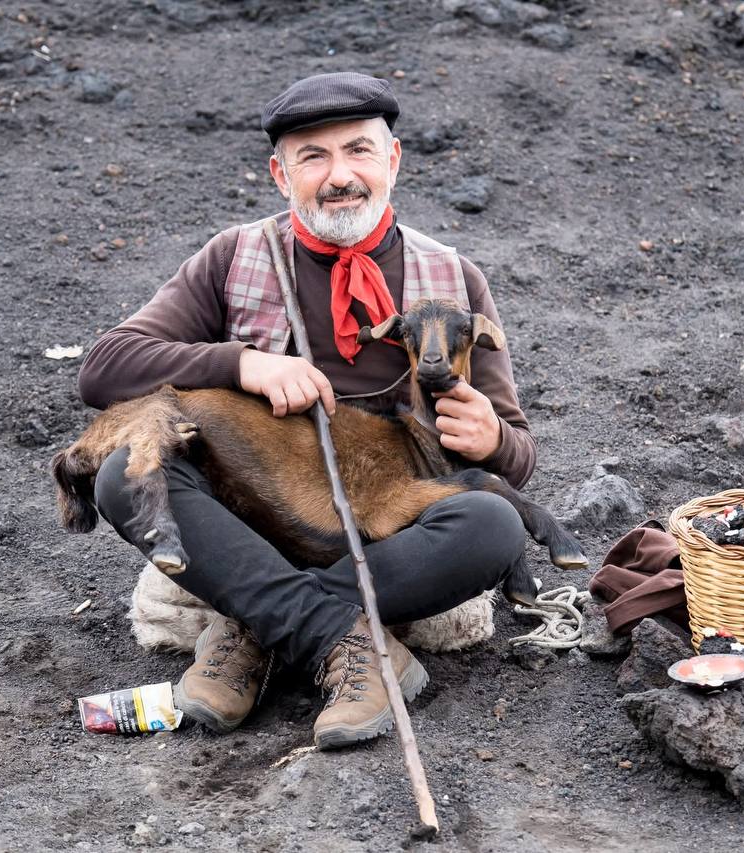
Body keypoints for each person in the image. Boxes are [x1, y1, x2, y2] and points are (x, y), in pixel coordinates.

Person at [77, 72, 536, 750]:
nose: (339, 175)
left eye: (357, 151)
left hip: (385, 534)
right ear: (278, 172)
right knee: (123, 475)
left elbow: (520, 459)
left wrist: (493, 435)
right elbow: (104, 366)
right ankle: (339, 639)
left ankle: (253, 626)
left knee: (493, 523)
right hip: (250, 521)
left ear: (393, 161)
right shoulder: (235, 257)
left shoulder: (452, 278)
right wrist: (242, 363)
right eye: (312, 157)